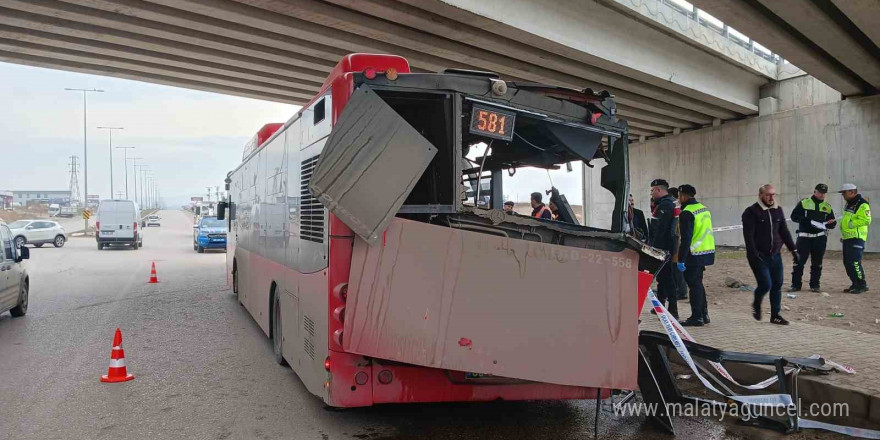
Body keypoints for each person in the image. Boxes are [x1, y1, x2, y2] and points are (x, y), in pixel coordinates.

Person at [742, 184, 798, 325]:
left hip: (775, 255)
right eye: (768, 194)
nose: (771, 197)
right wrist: (754, 255)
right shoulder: (751, 212)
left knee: (777, 285)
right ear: (760, 195)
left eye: (773, 194)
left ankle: (775, 315)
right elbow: (748, 237)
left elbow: (784, 231)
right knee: (766, 284)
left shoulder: (777, 210)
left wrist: (794, 250)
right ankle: (757, 303)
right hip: (759, 256)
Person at [676, 185, 715, 326]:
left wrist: (681, 259)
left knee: (694, 286)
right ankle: (704, 314)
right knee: (698, 284)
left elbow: (686, 238)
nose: (678, 199)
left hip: (693, 253)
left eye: (679, 196)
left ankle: (696, 316)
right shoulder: (703, 209)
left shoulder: (686, 212)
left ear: (684, 196)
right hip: (705, 251)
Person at [789, 184, 836, 292]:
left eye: (824, 193)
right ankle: (795, 285)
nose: (822, 195)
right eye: (820, 192)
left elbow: (832, 222)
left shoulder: (827, 207)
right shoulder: (804, 203)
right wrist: (804, 220)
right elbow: (793, 216)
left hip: (820, 239)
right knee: (799, 262)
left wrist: (831, 224)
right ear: (814, 191)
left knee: (817, 263)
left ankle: (814, 285)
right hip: (804, 238)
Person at [648, 179, 679, 319]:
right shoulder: (670, 202)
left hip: (664, 249)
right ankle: (660, 306)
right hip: (667, 248)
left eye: (652, 190)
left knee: (667, 279)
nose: (651, 193)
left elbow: (661, 231)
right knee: (662, 277)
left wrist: (654, 249)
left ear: (659, 190)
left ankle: (673, 309)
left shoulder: (665, 206)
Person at [838, 183, 872, 294]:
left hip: (857, 237)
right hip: (848, 238)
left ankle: (861, 285)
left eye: (844, 193)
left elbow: (866, 220)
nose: (843, 195)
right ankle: (855, 283)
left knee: (855, 262)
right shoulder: (849, 204)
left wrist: (851, 224)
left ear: (852, 192)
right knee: (847, 262)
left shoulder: (862, 204)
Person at [667, 187, 688, 301]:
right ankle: (680, 289)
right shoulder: (680, 207)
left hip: (677, 242)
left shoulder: (676, 208)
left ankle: (681, 291)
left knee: (676, 268)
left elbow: (674, 229)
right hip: (679, 241)